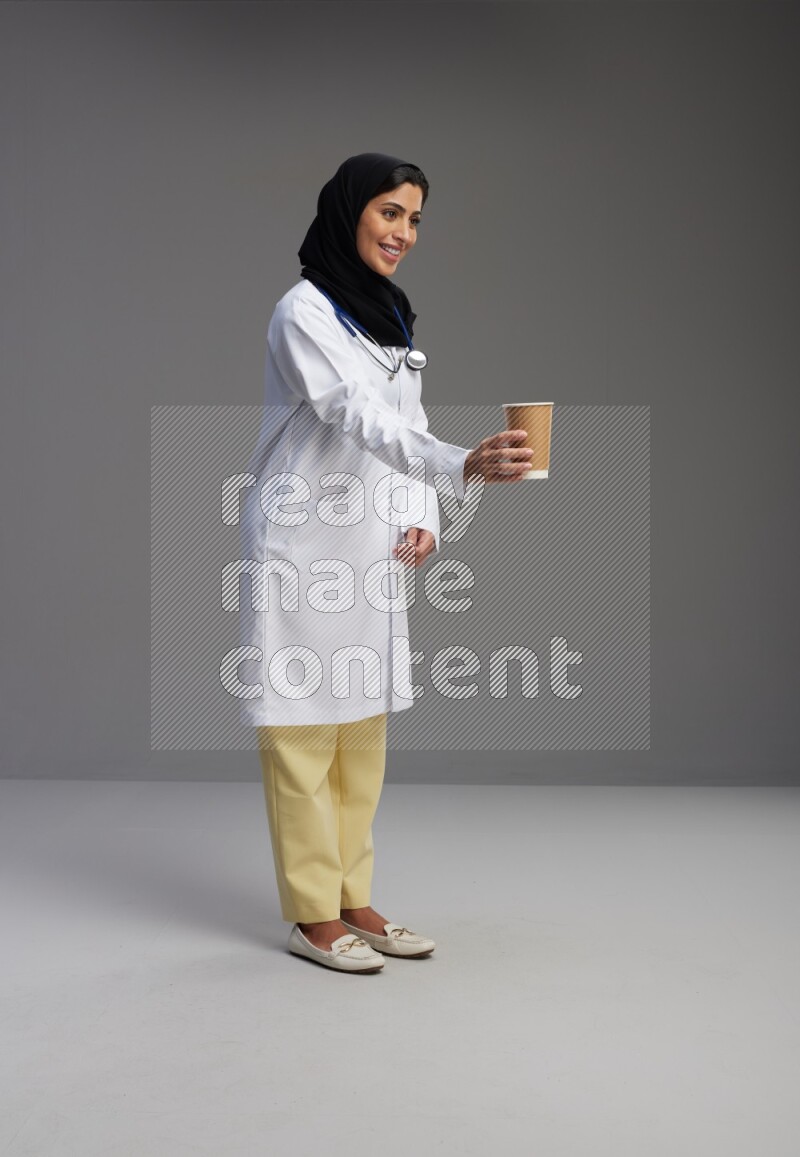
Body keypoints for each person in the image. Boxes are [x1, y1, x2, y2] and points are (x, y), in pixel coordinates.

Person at [239, 153, 533, 973]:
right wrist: (459, 462)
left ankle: (354, 896)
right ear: (348, 212)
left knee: (362, 727)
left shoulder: (389, 318)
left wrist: (424, 515)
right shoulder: (304, 312)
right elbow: (353, 414)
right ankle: (311, 912)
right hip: (302, 546)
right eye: (390, 213)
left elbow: (405, 418)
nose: (403, 233)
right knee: (301, 730)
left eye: (414, 220)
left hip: (368, 546)